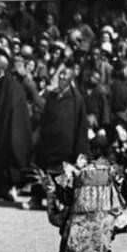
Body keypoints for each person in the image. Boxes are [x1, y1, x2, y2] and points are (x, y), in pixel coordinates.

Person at [29, 64, 89, 209]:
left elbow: (81, 126)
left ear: (71, 79)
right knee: (42, 172)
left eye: (65, 75)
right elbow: (45, 118)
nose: (61, 77)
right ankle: (36, 200)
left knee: (63, 177)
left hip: (66, 146)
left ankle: (61, 203)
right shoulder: (52, 96)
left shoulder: (77, 99)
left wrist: (80, 150)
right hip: (48, 143)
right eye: (60, 74)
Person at [0, 51, 32, 200]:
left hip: (7, 128)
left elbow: (14, 110)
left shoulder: (12, 86)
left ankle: (11, 187)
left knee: (9, 158)